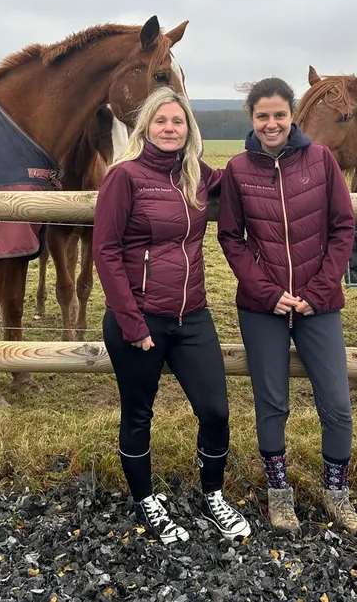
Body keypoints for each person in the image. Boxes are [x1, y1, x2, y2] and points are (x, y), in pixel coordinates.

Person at [93, 86, 251, 545]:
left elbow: (238, 181)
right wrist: (132, 323)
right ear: (146, 127)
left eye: (177, 122)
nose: (169, 128)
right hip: (138, 318)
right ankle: (146, 501)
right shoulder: (124, 177)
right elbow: (105, 251)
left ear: (188, 130)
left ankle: (213, 493)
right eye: (161, 121)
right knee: (139, 413)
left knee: (216, 411)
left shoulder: (196, 175)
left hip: (192, 316)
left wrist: (274, 152)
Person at [216, 77, 357, 539]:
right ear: (252, 119)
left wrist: (319, 290)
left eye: (279, 115)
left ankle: (337, 496)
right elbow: (231, 238)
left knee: (337, 405)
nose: (271, 123)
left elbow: (343, 227)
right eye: (262, 116)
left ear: (292, 117)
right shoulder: (238, 168)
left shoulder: (321, 161)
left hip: (317, 304)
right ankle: (279, 498)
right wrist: (267, 292)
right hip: (262, 306)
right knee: (272, 404)